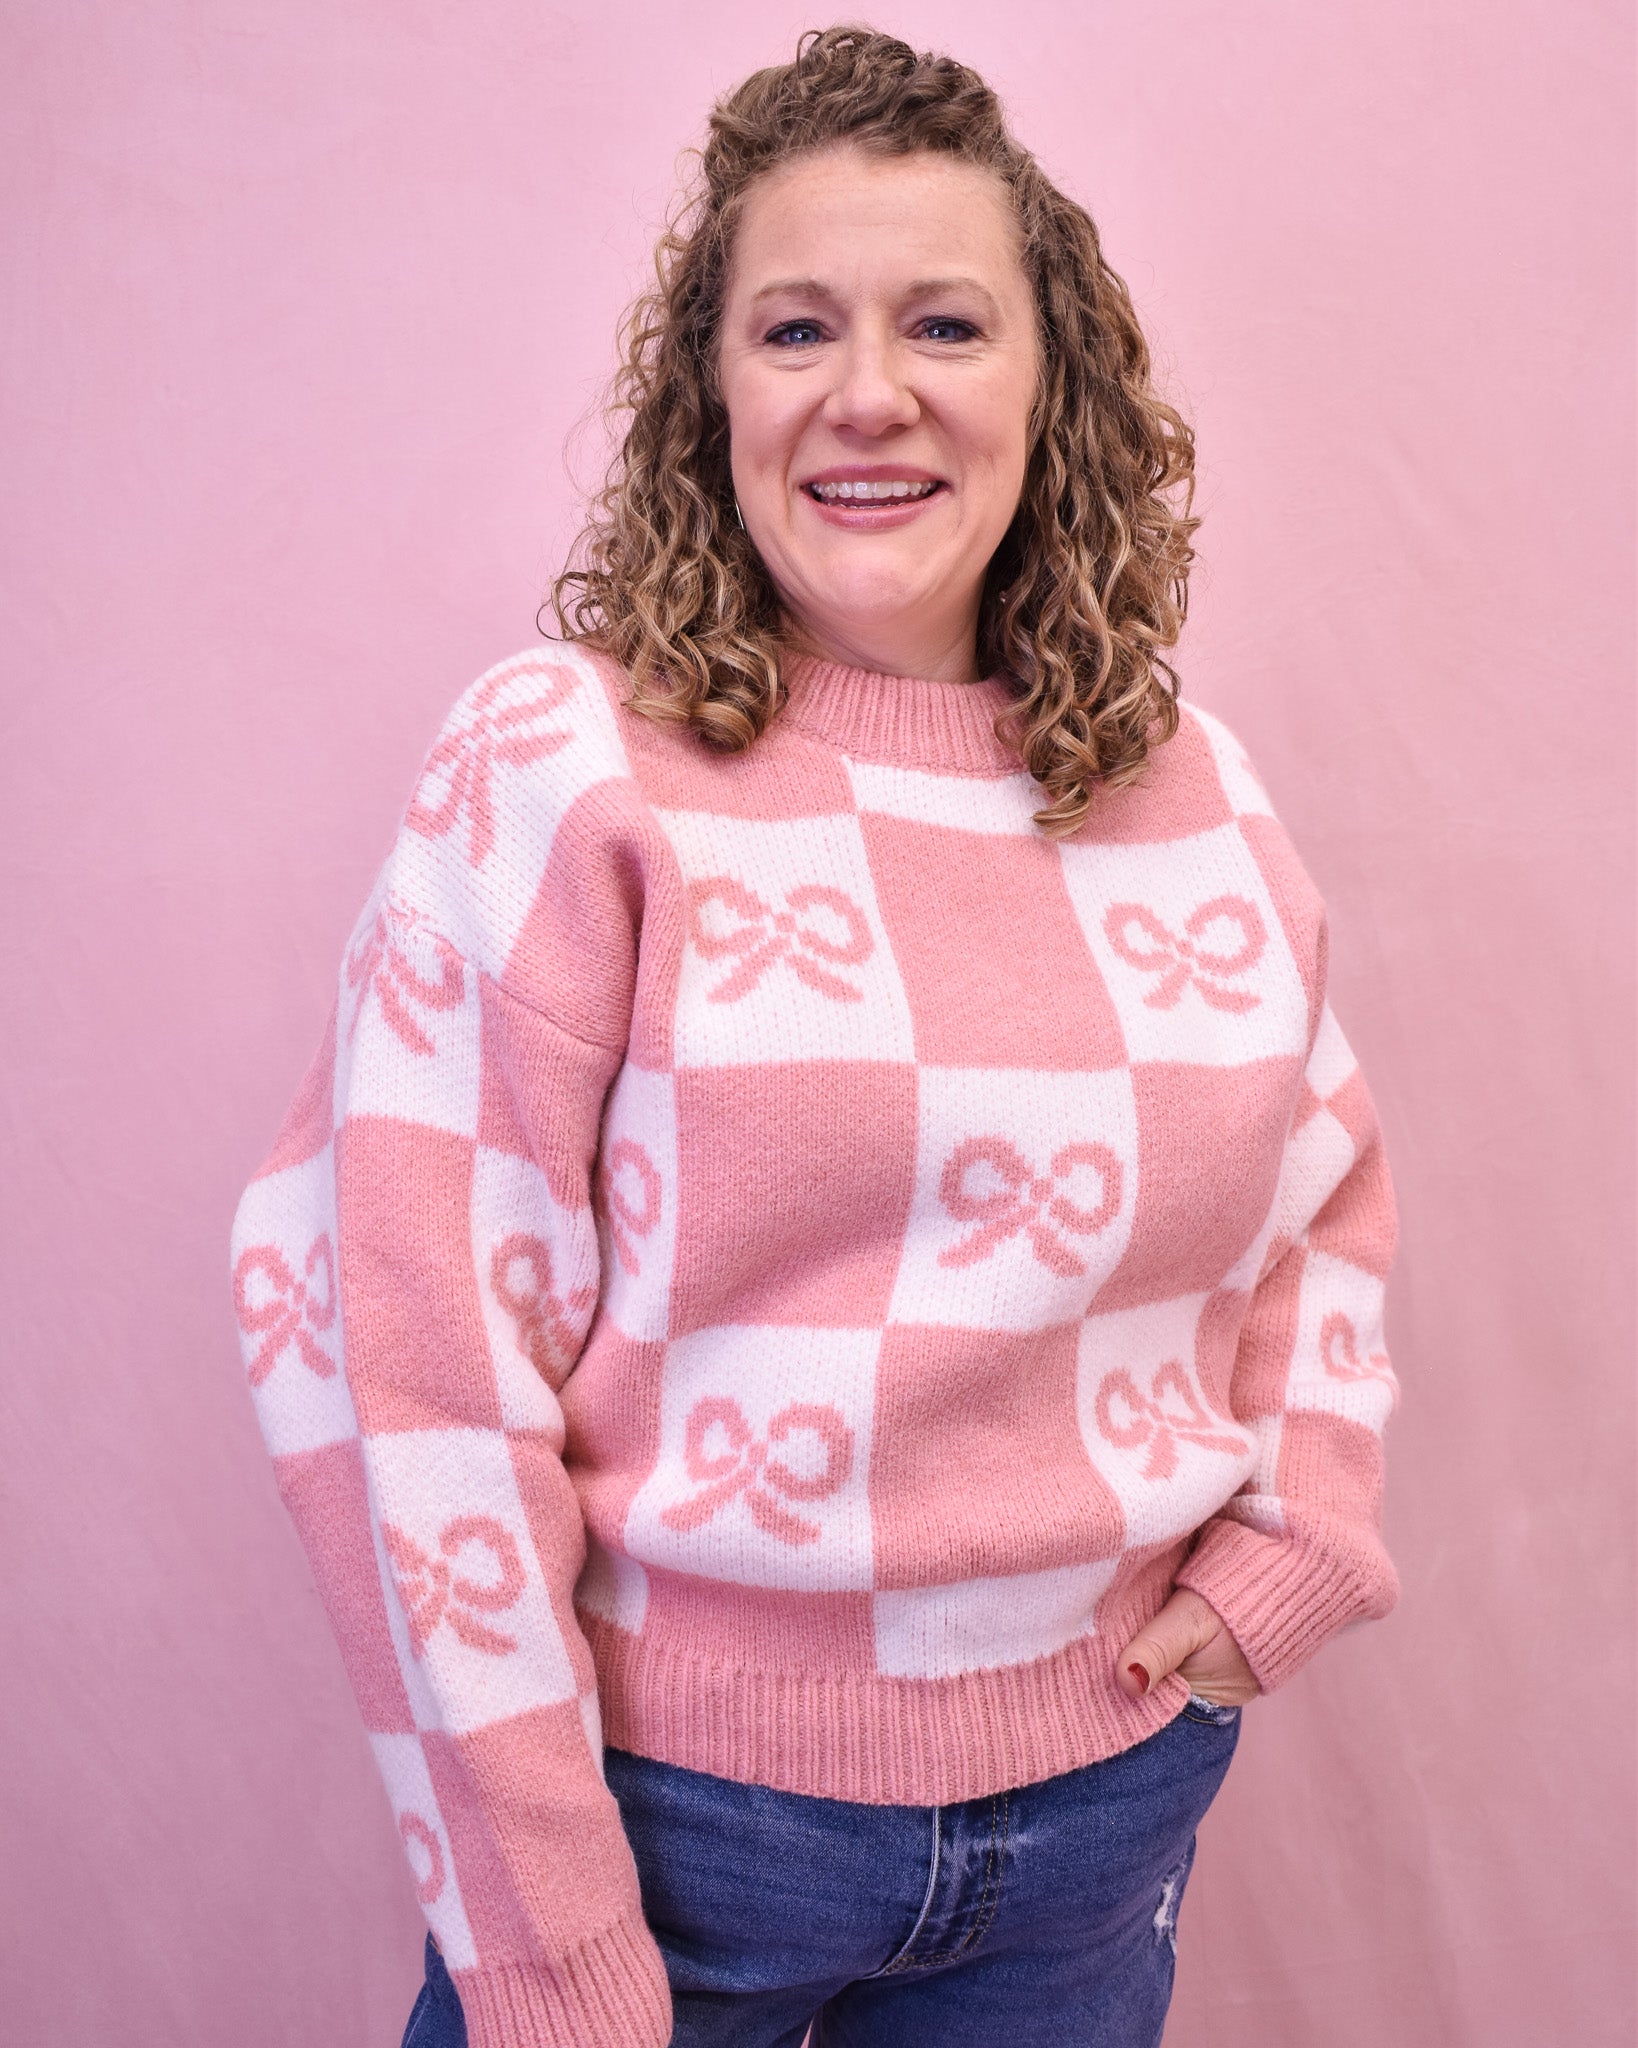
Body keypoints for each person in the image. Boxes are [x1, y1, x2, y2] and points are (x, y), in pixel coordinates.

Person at [230, 25, 1400, 2048]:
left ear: (1056, 384)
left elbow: (1325, 1200)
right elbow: (390, 1349)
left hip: (1102, 1807)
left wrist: (1285, 1549)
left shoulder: (1191, 786)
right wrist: (553, 1928)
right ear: (714, 394)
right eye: (795, 328)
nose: (871, 393)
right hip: (677, 1835)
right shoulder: (566, 766)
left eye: (946, 321)